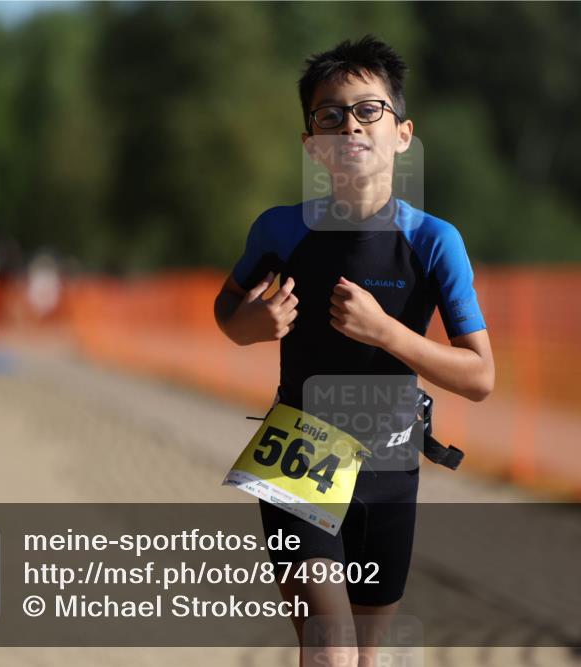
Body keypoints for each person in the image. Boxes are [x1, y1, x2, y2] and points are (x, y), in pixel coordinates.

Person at [214, 35, 494, 667]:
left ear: (402, 133)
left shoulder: (434, 242)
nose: (351, 126)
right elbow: (227, 315)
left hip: (392, 467)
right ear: (313, 144)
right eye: (330, 115)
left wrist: (388, 333)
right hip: (300, 452)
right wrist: (252, 323)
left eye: (370, 110)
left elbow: (481, 377)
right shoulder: (280, 230)